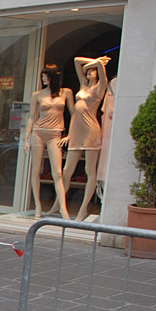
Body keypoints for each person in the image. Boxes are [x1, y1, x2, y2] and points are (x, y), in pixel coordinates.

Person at [62, 56, 110, 221]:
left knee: (90, 171)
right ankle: (60, 205)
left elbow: (99, 69)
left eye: (93, 71)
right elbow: (76, 60)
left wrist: (98, 63)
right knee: (67, 171)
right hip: (76, 130)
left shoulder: (100, 87)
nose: (90, 72)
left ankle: (83, 209)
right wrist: (95, 61)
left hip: (90, 130)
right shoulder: (83, 85)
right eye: (88, 71)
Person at [25, 64, 73, 219]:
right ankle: (38, 205)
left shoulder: (66, 93)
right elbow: (32, 117)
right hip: (38, 133)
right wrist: (26, 139)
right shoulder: (37, 95)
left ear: (54, 76)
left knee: (58, 172)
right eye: (42, 76)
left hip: (55, 135)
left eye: (47, 76)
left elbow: (73, 114)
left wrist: (70, 134)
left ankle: (63, 208)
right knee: (35, 170)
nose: (44, 79)